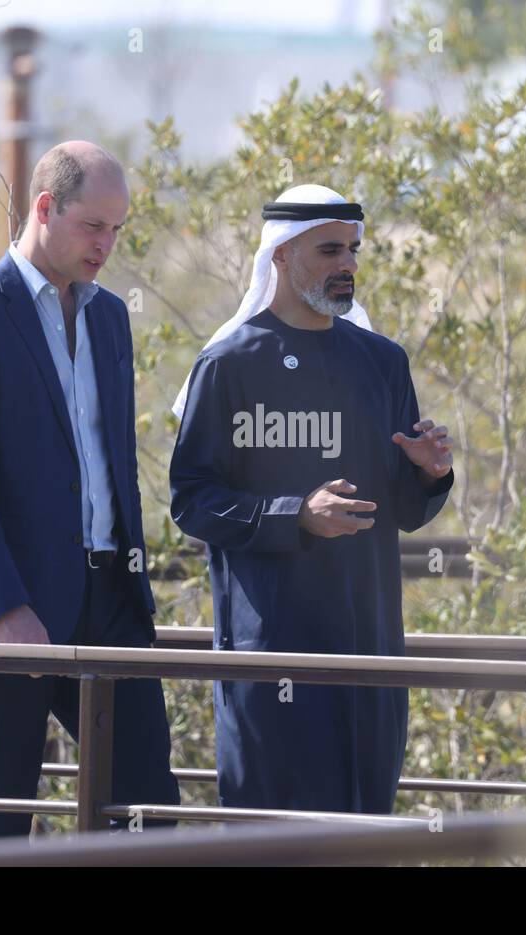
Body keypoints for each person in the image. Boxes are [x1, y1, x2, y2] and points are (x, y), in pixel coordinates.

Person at [0, 141, 179, 843]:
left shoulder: (109, 319)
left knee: (148, 808)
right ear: (44, 208)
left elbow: (111, 465)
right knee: (2, 814)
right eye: (94, 226)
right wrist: (5, 608)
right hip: (13, 607)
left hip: (110, 599)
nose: (108, 244)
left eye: (118, 229)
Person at [169, 183, 455, 814]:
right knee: (274, 843)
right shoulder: (227, 366)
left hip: (371, 654)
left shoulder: (382, 363)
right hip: (273, 654)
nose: (348, 264)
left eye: (353, 249)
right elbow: (192, 501)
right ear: (280, 255)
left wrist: (430, 476)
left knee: (361, 839)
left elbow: (404, 512)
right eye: (330, 250)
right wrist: (294, 515)